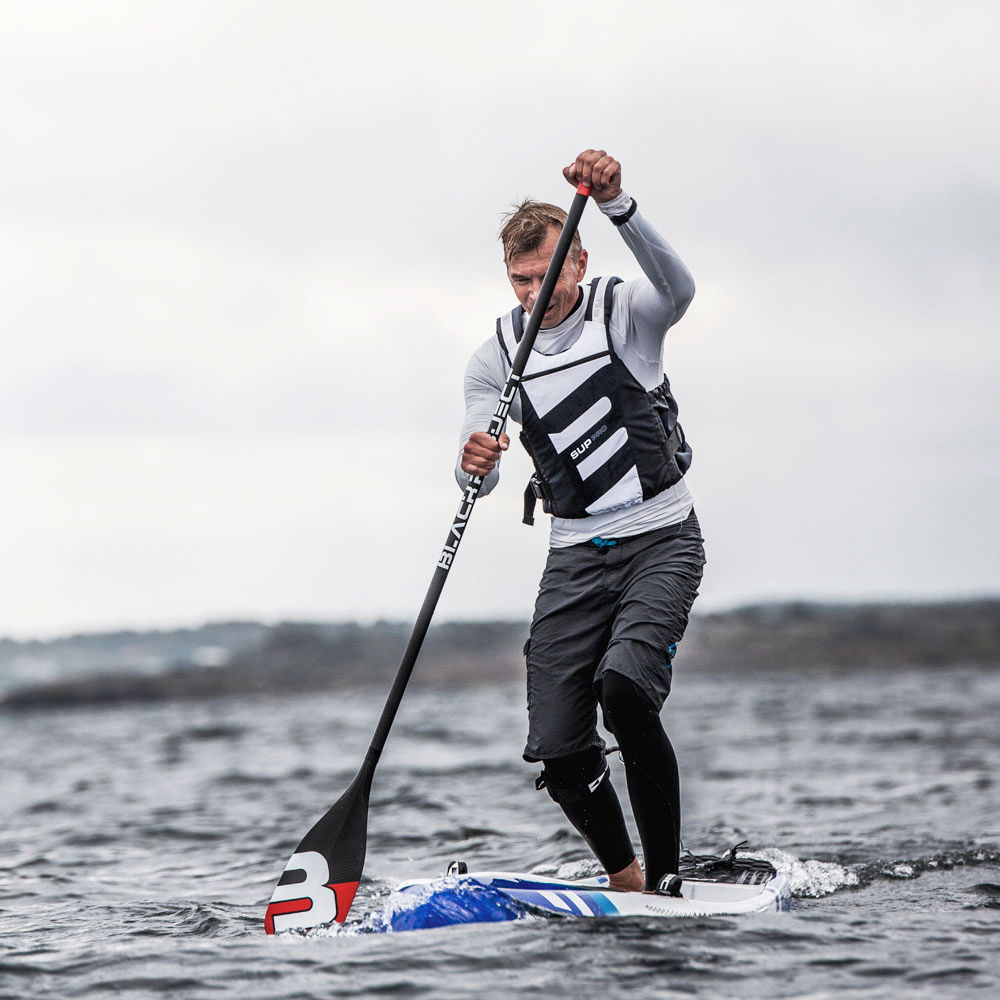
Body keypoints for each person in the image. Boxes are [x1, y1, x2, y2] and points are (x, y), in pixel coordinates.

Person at [457, 149, 705, 893]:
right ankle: (626, 884)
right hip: (573, 557)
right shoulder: (495, 358)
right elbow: (479, 470)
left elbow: (680, 290)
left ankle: (666, 884)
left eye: (544, 276)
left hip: (660, 539)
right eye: (519, 281)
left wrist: (619, 204)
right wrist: (474, 461)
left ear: (577, 262)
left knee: (623, 692)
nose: (533, 295)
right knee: (558, 745)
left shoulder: (624, 314)